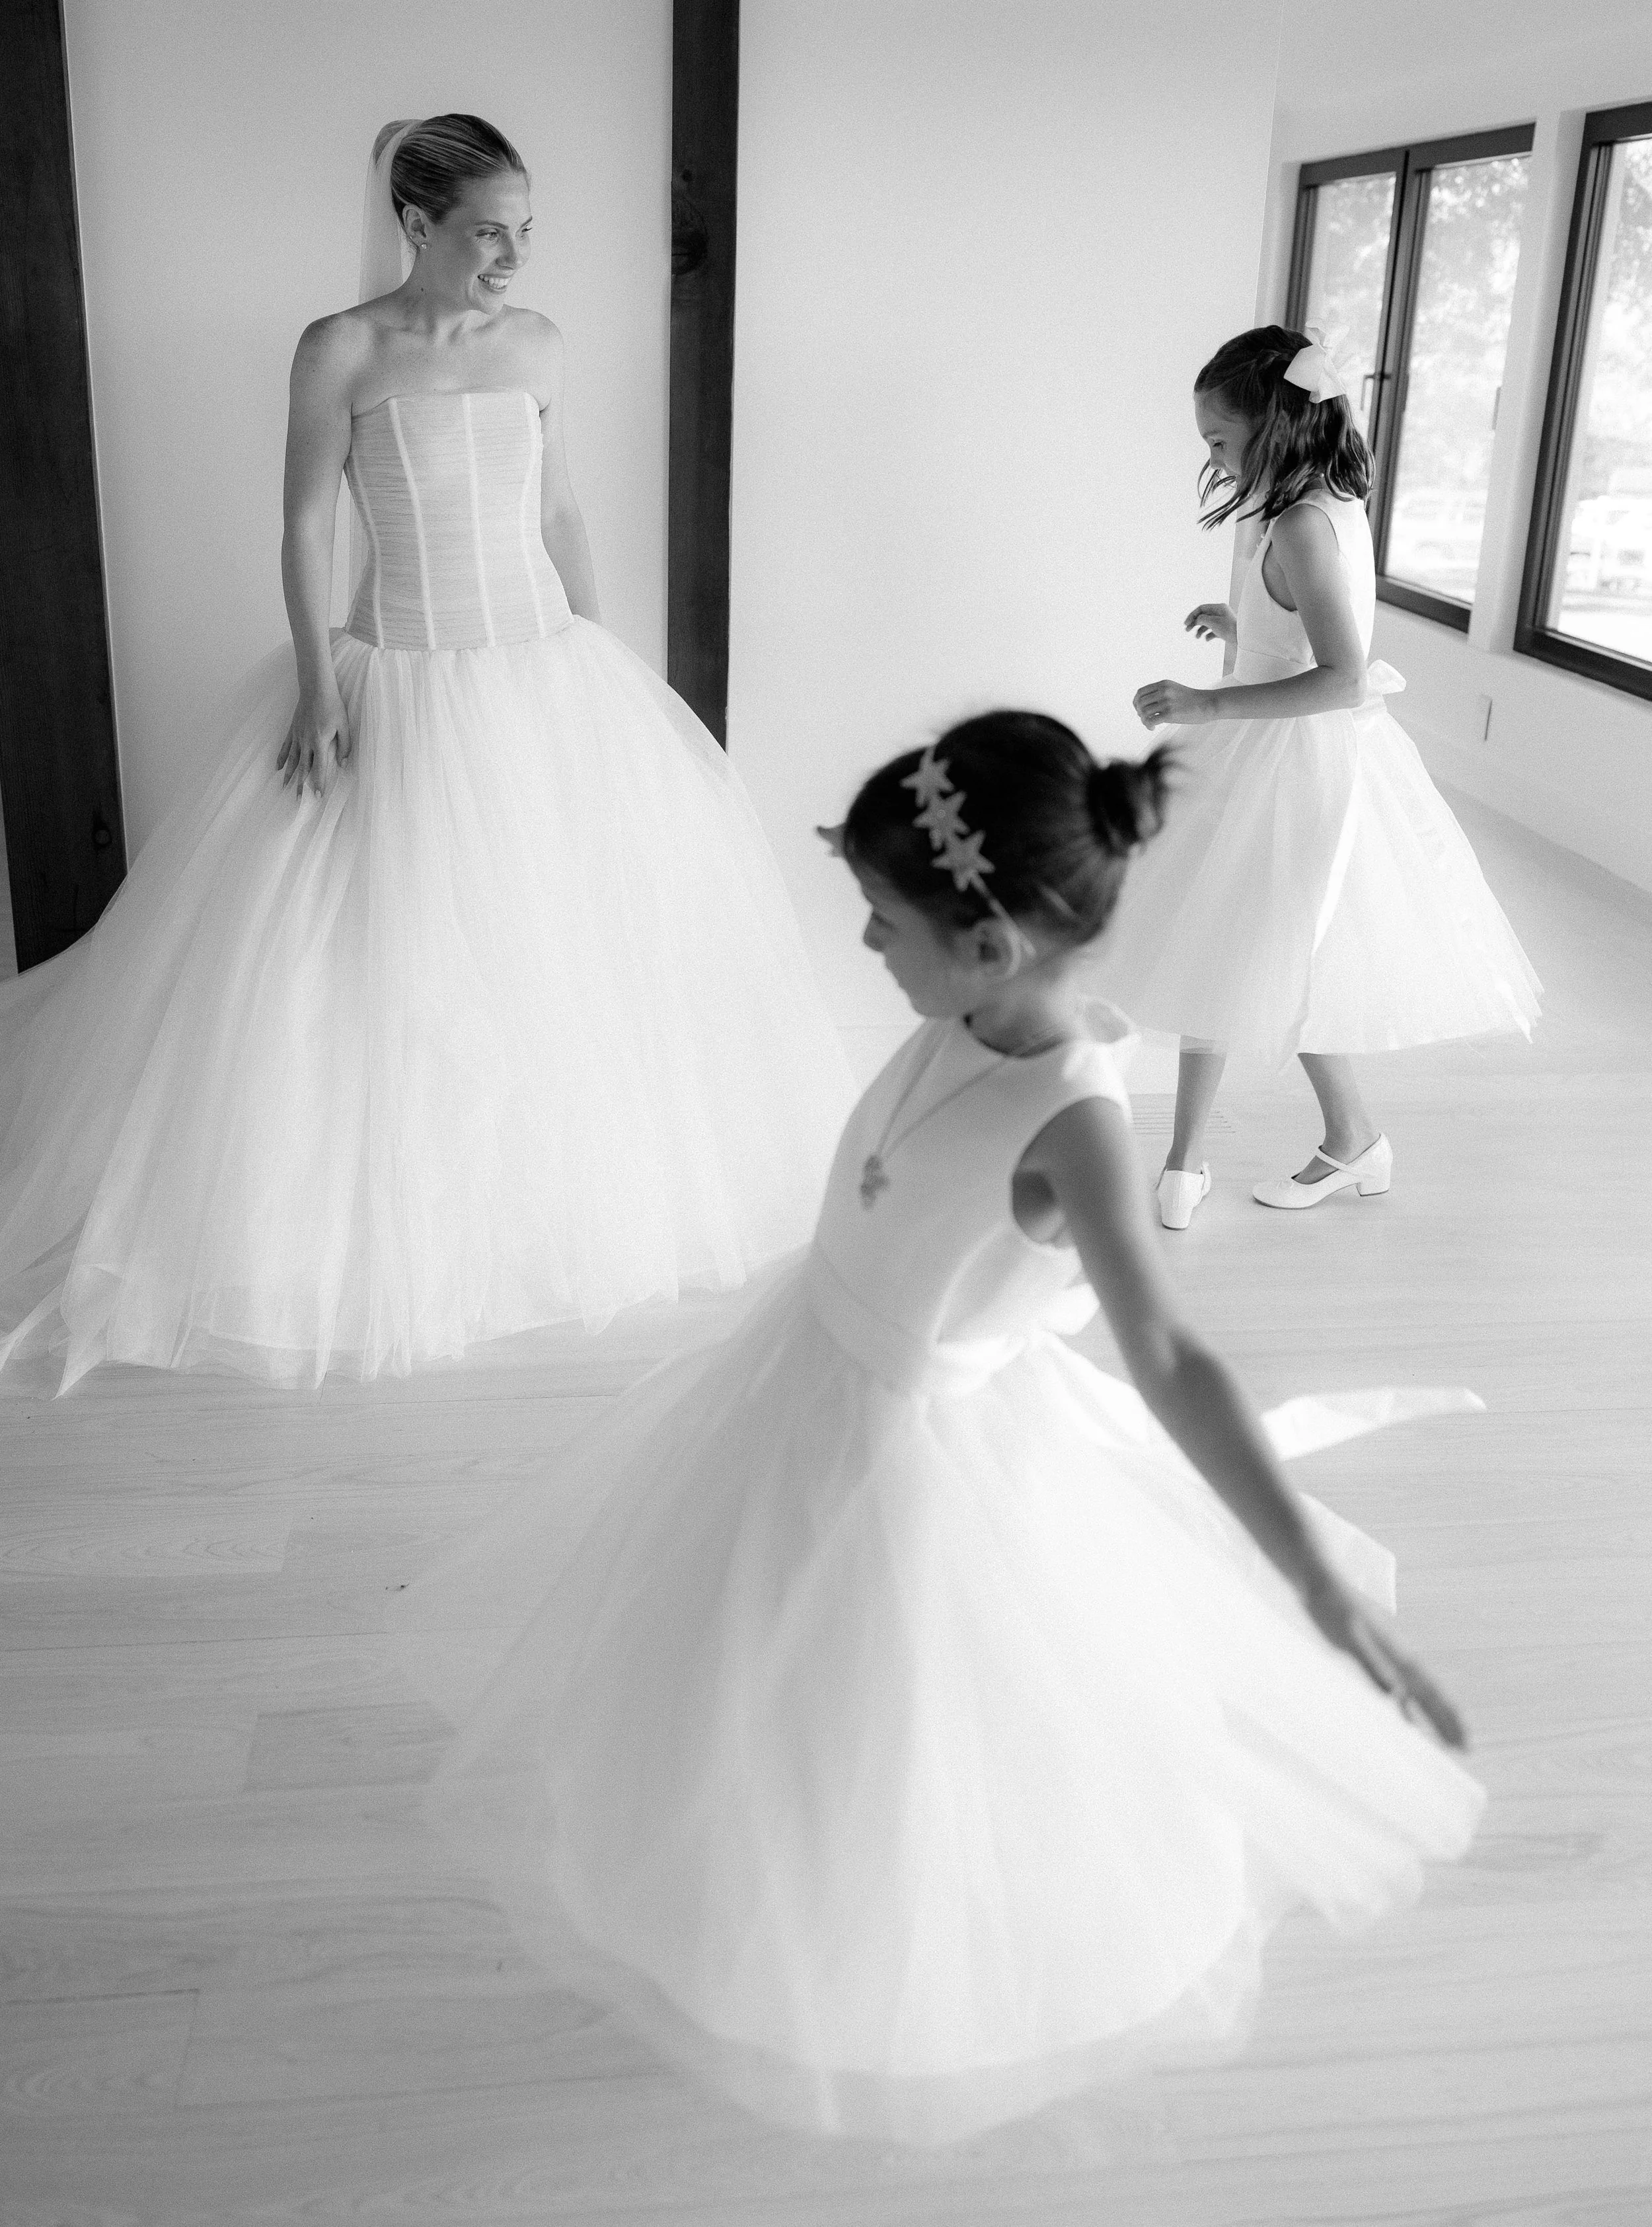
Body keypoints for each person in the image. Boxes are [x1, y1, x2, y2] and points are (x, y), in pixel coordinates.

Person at [395, 710, 1484, 2146]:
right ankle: (749, 1857)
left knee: (877, 1702)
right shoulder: (965, 1008)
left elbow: (1166, 1351)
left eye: (880, 921)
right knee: (749, 1659)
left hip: (909, 1462)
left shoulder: (1076, 1122)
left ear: (987, 945)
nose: (863, 947)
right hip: (807, 1378)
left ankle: (871, 1923)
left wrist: (1306, 1576)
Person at [0, 114, 853, 1388]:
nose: (511, 256)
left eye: (525, 231)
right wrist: (314, 684)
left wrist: (604, 670)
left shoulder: (539, 344)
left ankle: (545, 1208)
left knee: (550, 947)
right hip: (396, 671)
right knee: (376, 952)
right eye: (485, 231)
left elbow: (558, 503)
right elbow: (301, 528)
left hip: (537, 667)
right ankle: (375, 1218)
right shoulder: (340, 350)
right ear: (415, 224)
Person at [1105, 324, 1540, 1231]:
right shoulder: (1317, 505)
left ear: (1274, 426)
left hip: (1300, 764)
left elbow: (1343, 675)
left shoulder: (1301, 523)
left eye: (1220, 441)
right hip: (1280, 754)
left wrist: (1206, 702)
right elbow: (1302, 636)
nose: (1213, 461)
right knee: (1237, 946)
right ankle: (1221, 1152)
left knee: (1257, 953)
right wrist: (1243, 628)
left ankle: (1324, 1142)